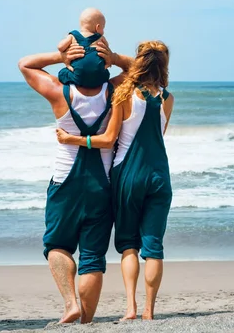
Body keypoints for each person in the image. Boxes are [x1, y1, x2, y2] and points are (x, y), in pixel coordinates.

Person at [56, 40, 175, 320]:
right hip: (159, 174)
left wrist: (71, 138)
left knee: (129, 245)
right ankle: (149, 311)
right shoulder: (168, 98)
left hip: (128, 175)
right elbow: (159, 135)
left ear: (139, 60)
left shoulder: (123, 93)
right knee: (154, 246)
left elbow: (109, 139)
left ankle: (131, 308)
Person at [18, 40, 132, 324]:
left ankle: (71, 304)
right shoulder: (114, 91)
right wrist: (114, 58)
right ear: (103, 69)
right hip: (101, 184)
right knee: (93, 256)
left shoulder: (59, 92)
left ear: (72, 69)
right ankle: (87, 321)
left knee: (57, 245)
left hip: (64, 181)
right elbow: (141, 67)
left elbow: (25, 64)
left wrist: (60, 56)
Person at [57, 8, 110, 88]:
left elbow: (60, 47)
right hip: (98, 78)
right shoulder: (101, 38)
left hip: (78, 77)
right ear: (97, 27)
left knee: (62, 73)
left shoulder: (73, 36)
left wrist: (67, 38)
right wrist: (108, 63)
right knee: (106, 73)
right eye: (103, 28)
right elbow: (107, 51)